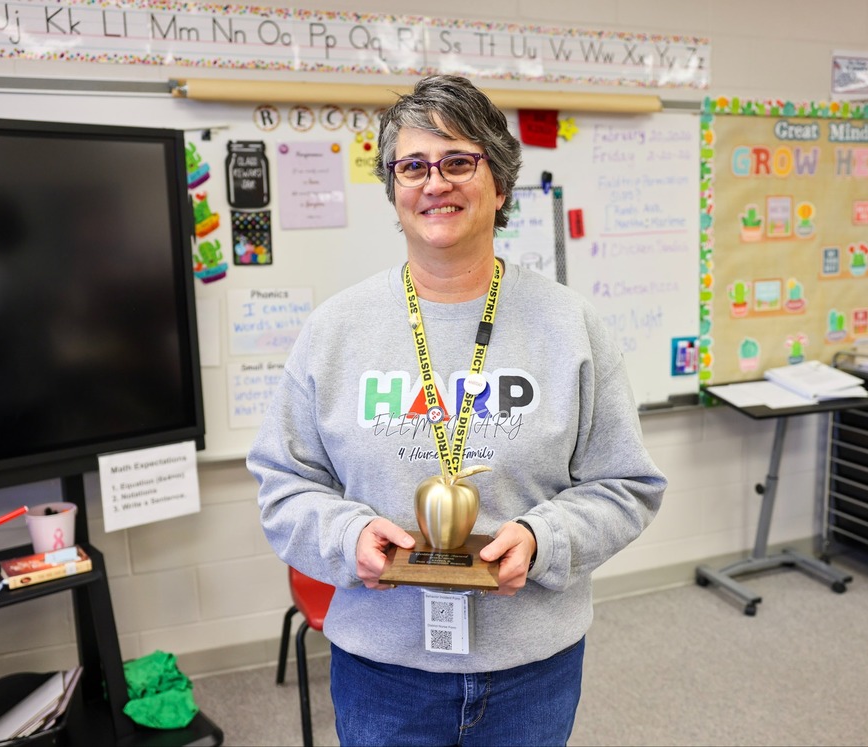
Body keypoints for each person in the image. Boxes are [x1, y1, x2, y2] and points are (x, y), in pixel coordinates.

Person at [248, 74, 667, 746]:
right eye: (413, 165)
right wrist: (348, 535)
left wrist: (542, 540)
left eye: (458, 161)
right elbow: (282, 485)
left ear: (499, 184)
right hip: (385, 667)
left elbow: (627, 485)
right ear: (393, 190)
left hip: (532, 667)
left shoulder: (571, 326)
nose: (433, 181)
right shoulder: (336, 330)